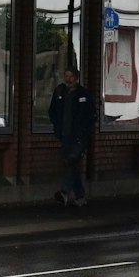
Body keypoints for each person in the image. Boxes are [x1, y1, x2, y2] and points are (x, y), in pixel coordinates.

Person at [49, 67, 96, 206]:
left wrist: (83, 130)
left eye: (70, 76)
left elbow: (91, 115)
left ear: (76, 77)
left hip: (79, 137)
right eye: (66, 76)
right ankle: (80, 197)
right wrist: (57, 125)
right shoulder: (60, 92)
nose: (68, 79)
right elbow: (52, 111)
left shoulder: (83, 94)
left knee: (72, 162)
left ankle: (64, 192)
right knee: (72, 165)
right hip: (65, 135)